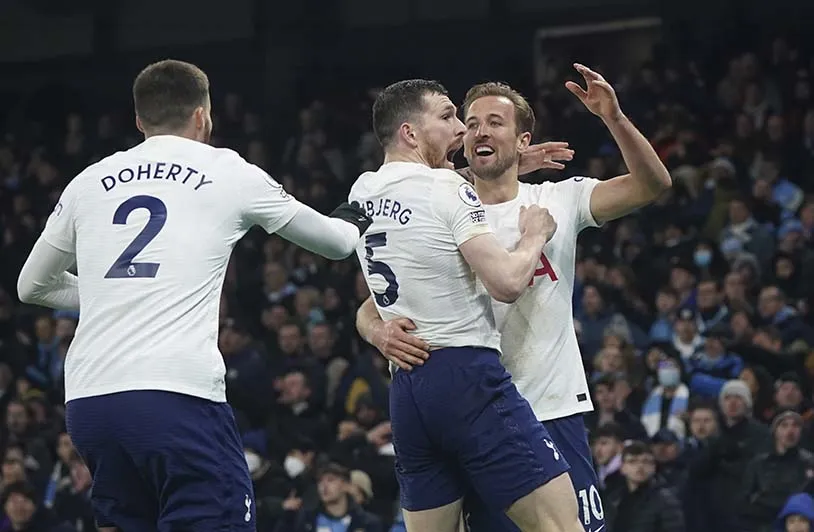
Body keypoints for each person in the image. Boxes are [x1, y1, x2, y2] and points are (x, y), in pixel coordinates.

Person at [16, 59, 372, 531]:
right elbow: (336, 243)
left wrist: (115, 296)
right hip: (175, 397)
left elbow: (30, 286)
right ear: (203, 115)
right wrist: (357, 212)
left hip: (90, 401)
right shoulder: (227, 170)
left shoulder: (88, 180)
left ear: (139, 120)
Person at [357, 65, 672, 532]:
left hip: (548, 408)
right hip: (473, 414)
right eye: (471, 122)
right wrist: (378, 332)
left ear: (523, 141)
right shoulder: (439, 205)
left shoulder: (557, 200)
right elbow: (375, 305)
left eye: (495, 123)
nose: (478, 131)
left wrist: (615, 118)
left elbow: (653, 185)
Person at [349, 78, 582, 532]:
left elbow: (375, 294)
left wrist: (377, 332)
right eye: (447, 116)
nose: (461, 129)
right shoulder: (447, 189)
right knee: (561, 524)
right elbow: (508, 283)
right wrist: (535, 233)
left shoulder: (362, 192)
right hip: (468, 378)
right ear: (411, 134)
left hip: (408, 390)